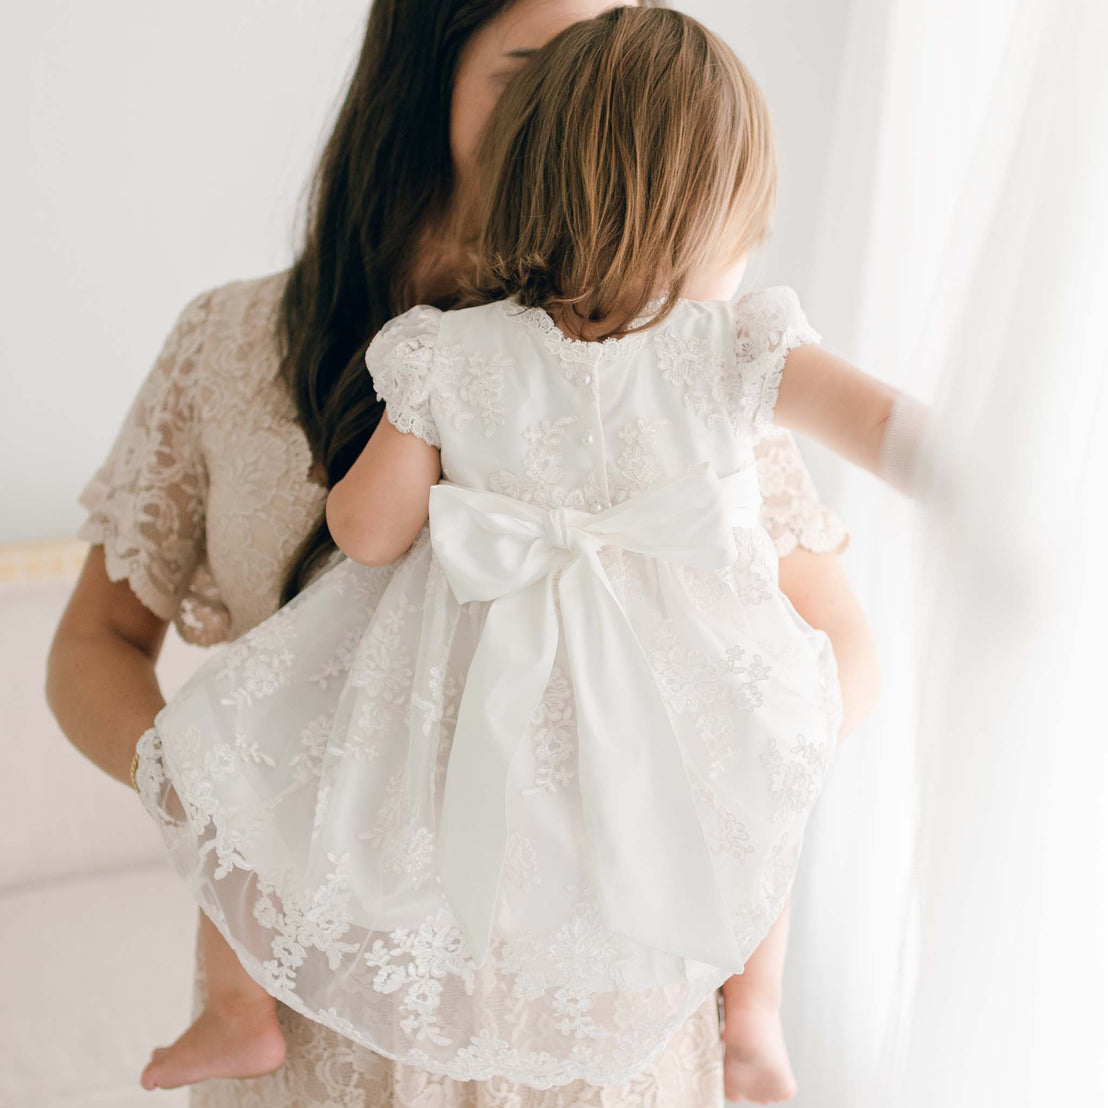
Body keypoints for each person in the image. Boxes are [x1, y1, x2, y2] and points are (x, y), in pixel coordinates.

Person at [46, 2, 881, 1106]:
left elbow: (836, 641)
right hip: (317, 1040)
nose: (587, 114)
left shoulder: (668, 364)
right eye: (543, 73)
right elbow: (94, 643)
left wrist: (718, 769)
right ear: (423, 83)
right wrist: (230, 805)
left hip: (601, 1044)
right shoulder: (235, 345)